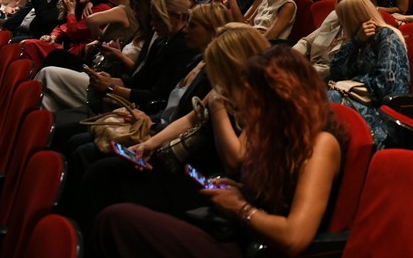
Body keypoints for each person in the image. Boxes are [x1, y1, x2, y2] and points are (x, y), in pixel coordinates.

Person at [91, 39, 345, 258]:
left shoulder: (321, 144)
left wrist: (241, 208)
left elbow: (294, 237)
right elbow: (276, 197)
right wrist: (241, 191)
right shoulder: (280, 132)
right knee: (118, 210)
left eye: (255, 100)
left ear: (282, 98)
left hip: (255, 248)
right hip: (238, 232)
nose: (247, 109)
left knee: (116, 220)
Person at [327, 0, 409, 148]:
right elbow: (336, 72)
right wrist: (355, 42)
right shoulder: (359, 40)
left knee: (329, 101)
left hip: (381, 114)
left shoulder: (387, 37)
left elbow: (386, 86)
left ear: (353, 19)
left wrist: (353, 83)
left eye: (343, 20)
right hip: (358, 101)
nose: (342, 25)